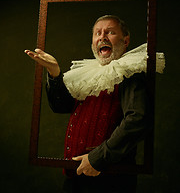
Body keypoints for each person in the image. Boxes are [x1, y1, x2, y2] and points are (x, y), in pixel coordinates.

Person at [25, 15, 165, 193]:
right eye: (97, 33)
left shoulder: (129, 72)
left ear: (126, 40)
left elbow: (139, 119)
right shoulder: (88, 74)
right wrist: (54, 73)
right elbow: (61, 106)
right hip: (75, 177)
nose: (102, 37)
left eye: (110, 32)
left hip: (110, 179)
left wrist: (98, 158)